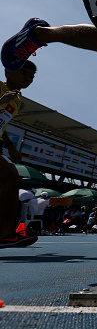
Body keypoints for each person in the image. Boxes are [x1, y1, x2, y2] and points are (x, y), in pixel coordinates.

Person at [0, 61, 39, 248]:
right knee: (11, 177)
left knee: (11, 178)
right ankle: (5, 233)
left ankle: (5, 232)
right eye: (24, 73)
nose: (28, 79)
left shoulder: (18, 103)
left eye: (31, 76)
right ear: (7, 71)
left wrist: (10, 145)